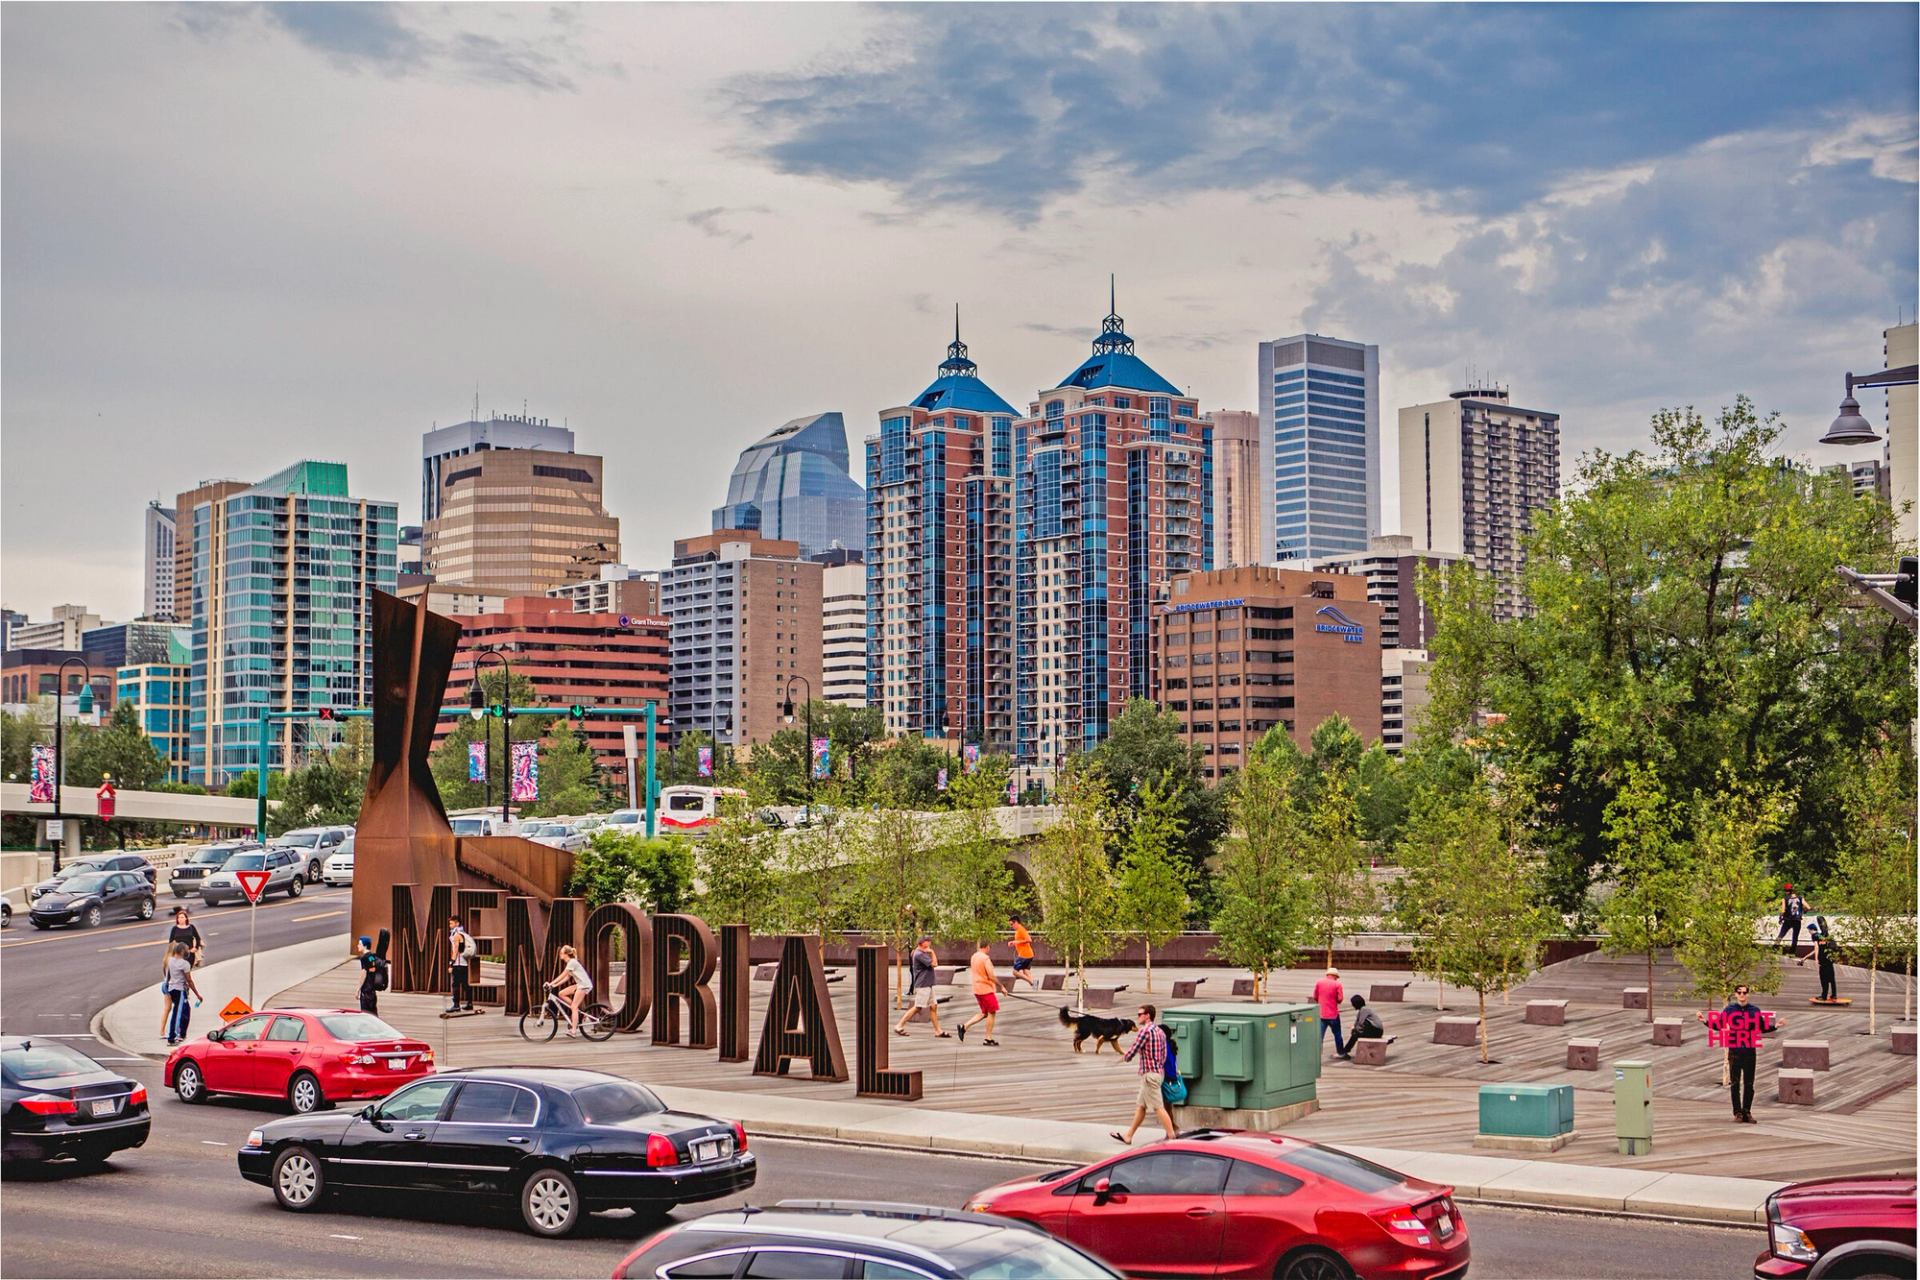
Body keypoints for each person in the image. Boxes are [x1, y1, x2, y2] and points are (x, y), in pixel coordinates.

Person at [1696, 983, 1777, 1123]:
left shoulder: (1754, 1010)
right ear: (1735, 994)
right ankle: (1737, 1113)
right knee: (1735, 1083)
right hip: (1734, 1050)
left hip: (1750, 1050)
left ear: (1748, 994)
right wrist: (1705, 1021)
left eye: (1745, 992)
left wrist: (1776, 1026)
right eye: (1739, 992)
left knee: (1749, 1084)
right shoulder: (1729, 1010)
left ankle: (1747, 1112)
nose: (1742, 995)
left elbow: (1762, 1028)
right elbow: (1719, 1025)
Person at [1111, 1004, 1177, 1146]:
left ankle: (1172, 1137)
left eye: (1140, 1014)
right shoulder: (1160, 1032)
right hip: (1158, 1073)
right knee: (1141, 1106)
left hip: (1149, 1075)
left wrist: (1124, 1058)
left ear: (1148, 1015)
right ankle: (1128, 1136)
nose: (1138, 1016)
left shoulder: (1145, 1031)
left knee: (1158, 1108)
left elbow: (1133, 1049)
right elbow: (1164, 1055)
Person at [894, 938, 950, 1038]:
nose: (929, 943)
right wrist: (932, 952)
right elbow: (935, 964)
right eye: (927, 941)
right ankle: (899, 1025)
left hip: (928, 984)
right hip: (923, 984)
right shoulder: (919, 954)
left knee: (933, 1006)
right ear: (922, 943)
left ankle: (938, 1031)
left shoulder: (919, 952)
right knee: (918, 1007)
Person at [958, 939, 1002, 1045]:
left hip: (977, 988)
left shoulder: (974, 956)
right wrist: (1001, 986)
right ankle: (988, 1038)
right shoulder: (985, 958)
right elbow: (991, 975)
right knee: (992, 1012)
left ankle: (964, 1027)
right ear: (987, 947)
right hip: (985, 989)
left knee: (984, 1013)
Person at [546, 944, 594, 1037]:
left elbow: (563, 975)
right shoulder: (570, 962)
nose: (560, 954)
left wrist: (551, 983)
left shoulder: (572, 962)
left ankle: (573, 1031)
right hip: (579, 984)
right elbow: (567, 977)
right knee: (561, 993)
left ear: (566, 954)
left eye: (561, 953)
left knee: (574, 1007)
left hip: (584, 985)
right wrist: (555, 985)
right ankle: (579, 1013)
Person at [162, 941, 201, 1046]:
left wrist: (167, 988)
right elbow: (189, 980)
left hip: (171, 989)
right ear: (183, 951)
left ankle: (182, 1034)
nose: (188, 951)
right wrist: (197, 994)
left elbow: (167, 975)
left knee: (185, 1010)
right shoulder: (185, 964)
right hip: (179, 991)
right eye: (187, 949)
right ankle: (172, 1038)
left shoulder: (170, 961)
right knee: (177, 1014)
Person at [1313, 968, 1349, 1060]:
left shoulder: (1319, 982)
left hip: (1321, 1014)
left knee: (1319, 1035)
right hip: (1333, 1014)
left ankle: (1316, 1054)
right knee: (1337, 1034)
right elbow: (1340, 999)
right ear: (1335, 976)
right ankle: (1341, 1053)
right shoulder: (1337, 984)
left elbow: (1315, 996)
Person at [447, 915, 474, 1013]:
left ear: (457, 923)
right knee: (465, 984)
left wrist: (451, 963)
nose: (450, 925)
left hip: (458, 963)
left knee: (455, 984)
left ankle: (456, 1005)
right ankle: (470, 1003)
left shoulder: (456, 935)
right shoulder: (462, 933)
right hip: (464, 963)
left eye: (451, 923)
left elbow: (455, 950)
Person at [356, 935, 389, 1015]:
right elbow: (372, 967)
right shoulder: (371, 957)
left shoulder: (364, 958)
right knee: (373, 1013)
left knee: (365, 1014)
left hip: (366, 990)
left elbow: (364, 972)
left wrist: (358, 989)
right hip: (372, 991)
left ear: (365, 945)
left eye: (360, 944)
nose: (358, 946)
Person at [1811, 917, 1840, 1001]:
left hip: (1823, 960)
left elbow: (1816, 945)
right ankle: (1834, 994)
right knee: (1831, 977)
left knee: (1823, 978)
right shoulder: (1830, 937)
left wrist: (1816, 959)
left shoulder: (1818, 936)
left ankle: (1824, 995)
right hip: (1829, 959)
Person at [1775, 885, 1806, 955]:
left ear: (1786, 891)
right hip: (1797, 920)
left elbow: (1783, 911)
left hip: (1788, 920)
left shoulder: (1784, 899)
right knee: (1795, 937)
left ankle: (1774, 948)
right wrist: (1804, 910)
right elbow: (1808, 907)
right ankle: (1792, 952)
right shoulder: (1800, 898)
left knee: (1781, 934)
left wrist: (1780, 917)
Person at [1008, 913, 1036, 987]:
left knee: (1015, 972)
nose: (1011, 926)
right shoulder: (1018, 931)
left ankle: (1032, 982)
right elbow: (1020, 941)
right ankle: (1034, 985)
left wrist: (1017, 942)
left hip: (1024, 955)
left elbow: (1029, 940)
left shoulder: (1021, 930)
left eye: (1012, 924)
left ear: (1016, 922)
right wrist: (1014, 942)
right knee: (1026, 970)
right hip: (1029, 954)